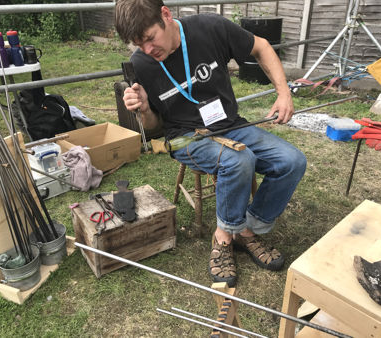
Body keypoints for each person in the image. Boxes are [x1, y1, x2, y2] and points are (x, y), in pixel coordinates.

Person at [115, 0, 307, 287]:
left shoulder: (209, 27)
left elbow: (262, 46)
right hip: (185, 137)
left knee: (292, 162)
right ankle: (224, 237)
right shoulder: (142, 64)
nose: (147, 50)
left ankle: (246, 229)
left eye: (150, 39)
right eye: (138, 44)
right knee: (239, 161)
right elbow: (155, 129)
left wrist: (284, 93)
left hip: (230, 124)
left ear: (165, 15)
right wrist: (144, 109)